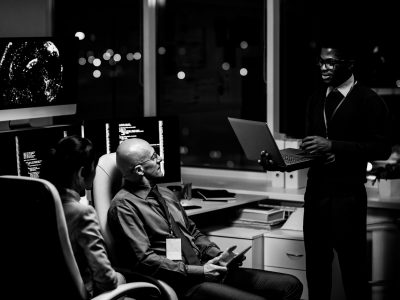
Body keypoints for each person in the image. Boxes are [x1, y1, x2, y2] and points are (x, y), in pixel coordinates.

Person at [259, 38, 392, 300]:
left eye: (330, 62)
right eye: (320, 62)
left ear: (349, 64)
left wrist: (334, 147)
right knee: (316, 273)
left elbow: (381, 149)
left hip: (348, 198)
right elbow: (315, 148)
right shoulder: (316, 97)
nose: (323, 68)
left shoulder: (369, 100)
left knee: (354, 274)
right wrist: (283, 162)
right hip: (316, 194)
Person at [108, 138, 303, 300]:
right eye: (153, 156)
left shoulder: (165, 193)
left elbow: (193, 232)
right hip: (180, 281)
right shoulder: (124, 206)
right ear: (140, 170)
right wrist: (200, 272)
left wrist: (218, 255)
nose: (160, 158)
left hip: (205, 268)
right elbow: (145, 260)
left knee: (290, 285)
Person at [41, 135, 126, 298]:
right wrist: (120, 278)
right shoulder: (82, 213)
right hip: (85, 293)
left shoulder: (38, 207)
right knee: (122, 278)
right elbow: (106, 279)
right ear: (81, 173)